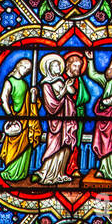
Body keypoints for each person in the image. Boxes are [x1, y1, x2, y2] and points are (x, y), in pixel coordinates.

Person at [0, 58, 40, 183]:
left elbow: (32, 103)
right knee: (13, 147)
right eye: (24, 67)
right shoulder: (9, 81)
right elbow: (3, 99)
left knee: (26, 147)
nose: (25, 71)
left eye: (28, 70)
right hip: (16, 119)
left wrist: (34, 95)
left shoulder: (25, 84)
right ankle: (10, 171)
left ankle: (21, 173)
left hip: (26, 119)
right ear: (17, 66)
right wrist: (10, 115)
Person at [37, 55, 77, 184]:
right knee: (55, 145)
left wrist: (68, 87)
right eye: (55, 65)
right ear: (49, 68)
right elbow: (52, 105)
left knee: (65, 145)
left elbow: (71, 92)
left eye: (59, 65)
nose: (58, 67)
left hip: (67, 118)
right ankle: (47, 174)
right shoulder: (46, 84)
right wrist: (65, 89)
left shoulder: (60, 81)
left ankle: (60, 173)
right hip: (56, 121)